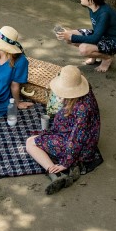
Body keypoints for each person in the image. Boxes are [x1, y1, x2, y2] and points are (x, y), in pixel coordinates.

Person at [25, 65, 101, 194]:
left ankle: (55, 173)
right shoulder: (85, 92)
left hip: (78, 145)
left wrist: (66, 162)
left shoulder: (82, 109)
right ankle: (74, 166)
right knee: (38, 139)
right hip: (83, 137)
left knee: (30, 143)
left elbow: (76, 139)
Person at [56, 0, 116, 73]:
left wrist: (71, 37)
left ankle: (107, 58)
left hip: (113, 41)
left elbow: (95, 38)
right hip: (101, 35)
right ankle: (94, 56)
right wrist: (68, 35)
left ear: (91, 1)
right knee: (68, 37)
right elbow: (96, 35)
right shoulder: (92, 6)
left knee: (83, 49)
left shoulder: (104, 14)